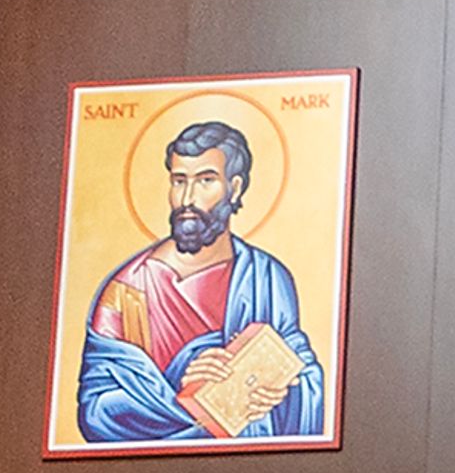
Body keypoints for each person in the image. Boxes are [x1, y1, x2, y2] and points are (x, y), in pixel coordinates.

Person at [77, 120, 329, 441]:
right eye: (179, 181)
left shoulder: (265, 277)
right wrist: (184, 391)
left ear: (234, 188)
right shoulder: (128, 290)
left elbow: (304, 377)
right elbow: (95, 410)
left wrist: (279, 396)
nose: (187, 199)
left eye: (206, 180)